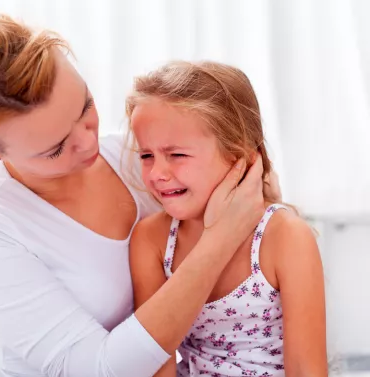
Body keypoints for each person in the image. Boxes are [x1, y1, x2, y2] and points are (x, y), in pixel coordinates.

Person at [0, 3, 279, 377]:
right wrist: (221, 238)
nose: (87, 142)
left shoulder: (139, 160)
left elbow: (252, 206)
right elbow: (99, 368)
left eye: (85, 107)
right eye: (55, 148)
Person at [127, 61, 327, 376]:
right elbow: (156, 363)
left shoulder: (285, 237)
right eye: (146, 155)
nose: (157, 174)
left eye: (177, 155)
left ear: (240, 157)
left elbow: (306, 370)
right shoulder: (151, 240)